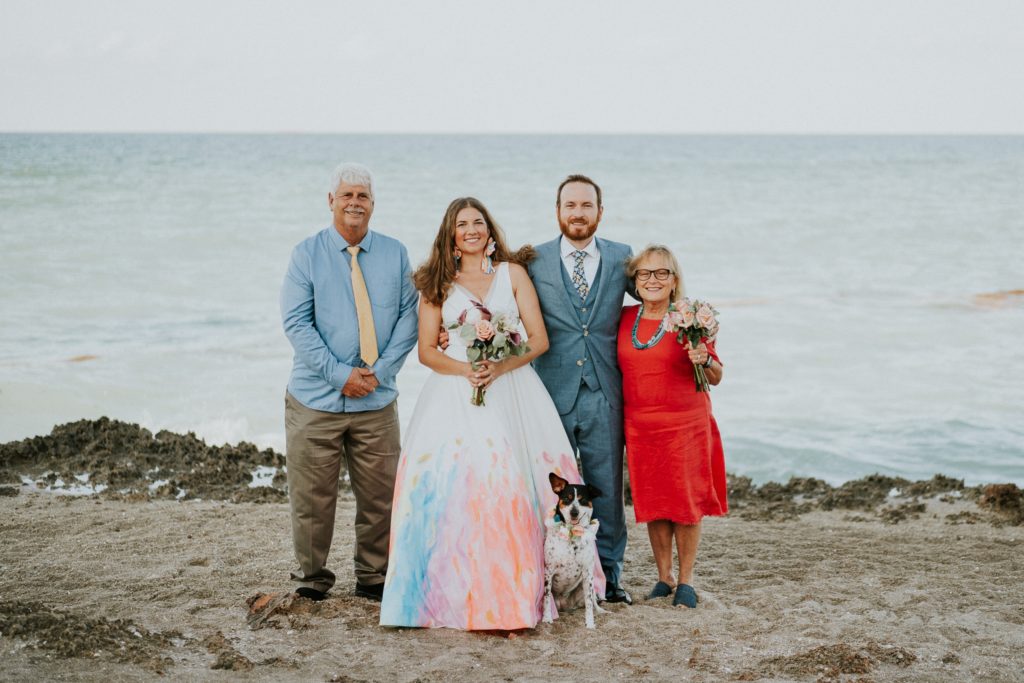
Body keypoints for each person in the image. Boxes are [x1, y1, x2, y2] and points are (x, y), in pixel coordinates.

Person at [380, 197, 603, 630]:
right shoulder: (435, 283)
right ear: (450, 233)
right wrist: (468, 371)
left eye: (478, 222)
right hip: (453, 394)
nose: (471, 230)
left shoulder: (511, 274)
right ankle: (451, 592)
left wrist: (500, 366)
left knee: (511, 485)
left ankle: (515, 592)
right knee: (461, 488)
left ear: (489, 229)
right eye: (461, 224)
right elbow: (427, 350)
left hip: (514, 389)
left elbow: (537, 339)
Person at [280, 162, 418, 602]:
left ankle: (373, 576)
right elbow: (297, 324)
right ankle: (313, 576)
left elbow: (408, 318)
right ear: (331, 202)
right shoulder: (306, 254)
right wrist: (341, 376)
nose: (355, 203)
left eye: (363, 196)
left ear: (373, 204)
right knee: (312, 499)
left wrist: (379, 373)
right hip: (315, 400)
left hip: (376, 401)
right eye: (347, 195)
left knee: (380, 495)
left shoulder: (395, 254)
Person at [526, 174, 635, 604]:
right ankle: (540, 574)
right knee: (544, 484)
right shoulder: (534, 260)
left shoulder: (623, 257)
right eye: (570, 205)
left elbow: (655, 296)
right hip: (549, 391)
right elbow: (503, 302)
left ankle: (609, 577)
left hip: (604, 391)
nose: (578, 213)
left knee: (605, 487)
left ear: (599, 212)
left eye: (586, 205)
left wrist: (690, 328)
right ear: (557, 211)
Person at [616, 245, 727, 608]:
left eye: (661, 273)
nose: (653, 280)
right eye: (645, 274)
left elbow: (716, 375)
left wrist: (704, 357)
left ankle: (686, 581)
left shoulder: (689, 317)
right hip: (640, 425)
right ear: (634, 280)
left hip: (685, 423)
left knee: (685, 503)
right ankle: (663, 577)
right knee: (654, 503)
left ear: (674, 279)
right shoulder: (624, 318)